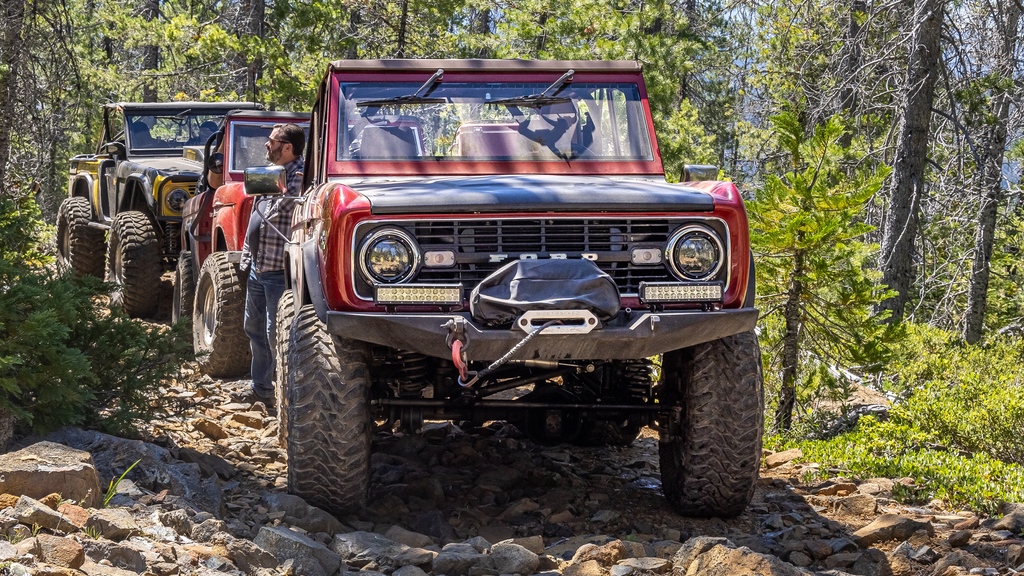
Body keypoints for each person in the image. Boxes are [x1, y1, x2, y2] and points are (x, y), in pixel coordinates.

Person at [240, 123, 305, 405]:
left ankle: (285, 395)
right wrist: (247, 255)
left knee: (276, 333)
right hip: (259, 265)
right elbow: (256, 214)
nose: (267, 145)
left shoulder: (300, 178)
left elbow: (278, 211)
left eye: (272, 141)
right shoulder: (271, 174)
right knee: (253, 328)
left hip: (279, 269)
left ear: (287, 147)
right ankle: (261, 388)